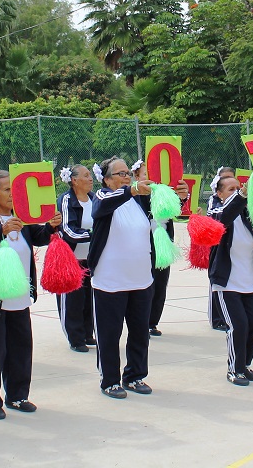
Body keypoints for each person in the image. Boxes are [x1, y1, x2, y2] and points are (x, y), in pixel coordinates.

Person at [0, 170, 58, 419]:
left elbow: (38, 237)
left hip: (19, 296)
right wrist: (1, 230)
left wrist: (50, 226)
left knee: (21, 349)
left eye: (15, 190)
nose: (12, 195)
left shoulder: (23, 216)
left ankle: (18, 396)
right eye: (7, 190)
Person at [89, 156, 155, 399]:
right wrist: (132, 190)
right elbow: (101, 206)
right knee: (109, 334)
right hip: (110, 282)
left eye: (128, 173)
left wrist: (180, 196)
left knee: (139, 332)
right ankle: (109, 381)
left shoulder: (138, 201)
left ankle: (135, 376)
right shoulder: (102, 196)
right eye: (121, 173)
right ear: (107, 180)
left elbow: (164, 212)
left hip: (141, 279)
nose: (127, 177)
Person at [209, 175, 253, 385]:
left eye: (238, 187)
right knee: (238, 325)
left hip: (249, 282)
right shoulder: (216, 213)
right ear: (219, 194)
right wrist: (241, 195)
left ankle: (244, 364)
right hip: (227, 284)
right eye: (230, 189)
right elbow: (225, 216)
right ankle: (234, 369)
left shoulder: (247, 215)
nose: (236, 191)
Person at [134, 160, 190, 338]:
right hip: (142, 245)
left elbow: (178, 211)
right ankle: (139, 322)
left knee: (160, 285)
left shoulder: (165, 193)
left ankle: (152, 322)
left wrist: (183, 197)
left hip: (163, 244)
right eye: (146, 174)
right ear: (137, 177)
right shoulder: (135, 195)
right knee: (143, 286)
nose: (151, 179)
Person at [56, 164, 97, 352]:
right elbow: (68, 230)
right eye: (86, 175)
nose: (90, 179)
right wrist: (93, 234)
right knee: (73, 301)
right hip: (71, 260)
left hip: (92, 259)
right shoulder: (66, 200)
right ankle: (75, 338)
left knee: (90, 299)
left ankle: (88, 333)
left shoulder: (94, 199)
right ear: (74, 180)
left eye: (90, 175)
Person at [206, 166, 235, 332]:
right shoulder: (214, 200)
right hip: (218, 246)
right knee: (216, 282)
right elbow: (214, 215)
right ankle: (216, 319)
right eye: (224, 179)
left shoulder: (242, 200)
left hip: (235, 248)